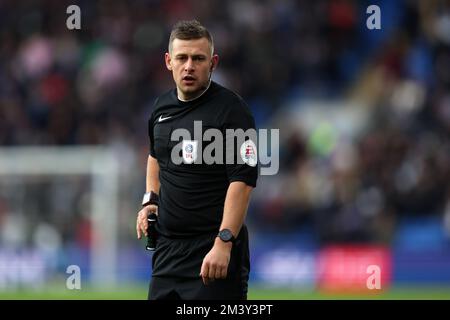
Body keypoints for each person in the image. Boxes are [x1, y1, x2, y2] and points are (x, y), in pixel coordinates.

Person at [136, 20, 258, 300]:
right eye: (182, 58)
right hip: (167, 253)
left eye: (198, 58)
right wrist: (150, 200)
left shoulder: (232, 112)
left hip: (212, 253)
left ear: (213, 62)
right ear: (169, 61)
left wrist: (224, 242)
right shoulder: (161, 108)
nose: (189, 66)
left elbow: (243, 182)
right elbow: (155, 156)